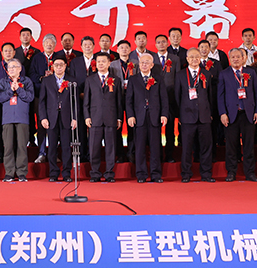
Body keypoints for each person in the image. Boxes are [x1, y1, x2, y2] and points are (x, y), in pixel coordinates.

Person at [217, 48, 257, 182]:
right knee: (231, 146)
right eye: (233, 57)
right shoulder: (224, 74)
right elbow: (220, 96)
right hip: (231, 114)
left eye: (238, 57)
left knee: (249, 145)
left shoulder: (251, 72)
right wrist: (222, 113)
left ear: (243, 58)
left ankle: (250, 173)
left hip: (248, 114)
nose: (235, 59)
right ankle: (231, 172)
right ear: (229, 59)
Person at [175, 48, 216, 183]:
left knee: (206, 147)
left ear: (200, 59)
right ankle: (186, 174)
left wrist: (210, 113)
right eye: (191, 57)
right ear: (187, 59)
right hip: (187, 117)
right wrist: (179, 115)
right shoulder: (180, 75)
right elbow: (177, 96)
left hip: (204, 116)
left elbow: (210, 96)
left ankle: (206, 174)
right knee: (187, 147)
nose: (194, 60)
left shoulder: (206, 74)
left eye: (197, 57)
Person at [127, 53, 168, 183]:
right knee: (139, 148)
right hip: (139, 118)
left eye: (147, 63)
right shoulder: (133, 79)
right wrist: (130, 115)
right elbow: (129, 100)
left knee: (155, 148)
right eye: (142, 62)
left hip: (154, 117)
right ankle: (141, 174)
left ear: (152, 65)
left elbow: (164, 99)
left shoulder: (158, 79)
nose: (144, 65)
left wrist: (164, 114)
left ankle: (156, 174)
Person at [84, 53, 123, 182]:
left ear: (109, 63)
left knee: (110, 147)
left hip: (111, 118)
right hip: (95, 118)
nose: (100, 64)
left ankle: (109, 174)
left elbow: (119, 101)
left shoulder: (116, 80)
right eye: (98, 62)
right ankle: (95, 173)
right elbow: (86, 101)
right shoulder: (90, 80)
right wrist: (87, 116)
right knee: (94, 147)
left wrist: (119, 118)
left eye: (103, 61)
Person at [38, 56, 77, 182]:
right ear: (52, 66)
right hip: (51, 118)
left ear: (65, 66)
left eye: (61, 64)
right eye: (56, 65)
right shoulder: (46, 81)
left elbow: (75, 102)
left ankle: (66, 173)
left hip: (67, 117)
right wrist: (43, 118)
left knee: (66, 147)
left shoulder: (72, 80)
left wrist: (75, 118)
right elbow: (42, 101)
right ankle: (53, 173)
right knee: (52, 146)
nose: (59, 67)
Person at [0, 59, 34, 182]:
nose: (11, 69)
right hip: (7, 118)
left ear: (20, 68)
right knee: (8, 146)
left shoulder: (26, 81)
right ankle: (9, 173)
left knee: (22, 146)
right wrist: (10, 90)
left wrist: (18, 89)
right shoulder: (3, 82)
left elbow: (30, 97)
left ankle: (21, 172)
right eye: (9, 67)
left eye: (14, 67)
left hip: (22, 117)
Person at [28, 33, 60, 163]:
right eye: (46, 43)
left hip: (56, 97)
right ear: (42, 44)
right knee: (42, 125)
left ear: (55, 45)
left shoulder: (59, 57)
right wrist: (42, 78)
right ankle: (41, 152)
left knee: (55, 126)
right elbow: (31, 74)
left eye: (51, 43)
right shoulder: (37, 57)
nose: (49, 45)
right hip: (40, 95)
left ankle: (53, 153)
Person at [155, 34, 179, 161]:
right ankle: (157, 155)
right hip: (155, 99)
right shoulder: (151, 58)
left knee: (170, 129)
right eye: (159, 42)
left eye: (164, 42)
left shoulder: (175, 59)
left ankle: (169, 155)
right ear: (155, 44)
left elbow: (178, 79)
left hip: (170, 98)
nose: (161, 44)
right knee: (155, 129)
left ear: (168, 43)